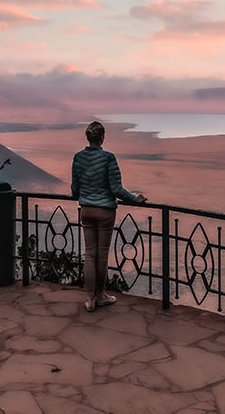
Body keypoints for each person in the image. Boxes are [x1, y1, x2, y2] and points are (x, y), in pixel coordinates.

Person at [71, 121, 146, 312]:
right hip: (105, 212)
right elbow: (116, 189)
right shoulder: (108, 158)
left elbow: (75, 190)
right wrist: (135, 199)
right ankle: (101, 295)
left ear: (87, 137)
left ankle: (89, 298)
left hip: (86, 210)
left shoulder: (78, 158)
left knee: (89, 254)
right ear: (102, 137)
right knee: (101, 255)